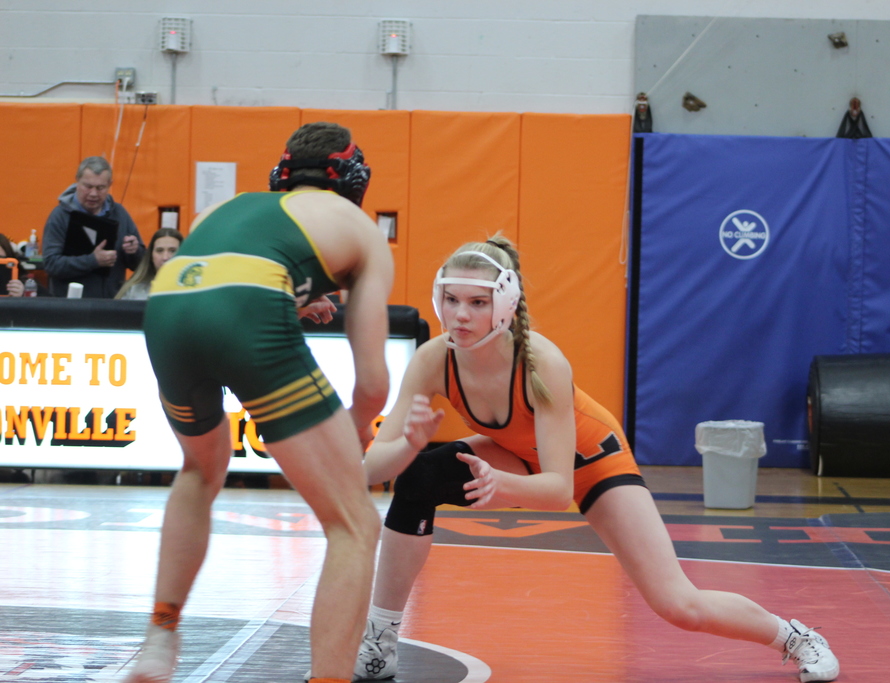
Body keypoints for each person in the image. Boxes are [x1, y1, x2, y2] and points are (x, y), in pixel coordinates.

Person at [350, 236, 840, 683]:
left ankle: (796, 637)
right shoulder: (434, 359)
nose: (460, 315)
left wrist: (501, 484)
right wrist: (406, 445)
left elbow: (559, 490)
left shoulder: (542, 363)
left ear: (504, 305)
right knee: (417, 476)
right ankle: (381, 638)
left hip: (594, 463)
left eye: (477, 303)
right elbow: (373, 470)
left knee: (679, 605)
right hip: (519, 457)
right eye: (452, 300)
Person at [123, 121, 392, 683]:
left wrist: (290, 302)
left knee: (200, 468)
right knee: (354, 525)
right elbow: (372, 384)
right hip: (251, 315)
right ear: (354, 183)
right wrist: (357, 432)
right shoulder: (363, 232)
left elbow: (226, 281)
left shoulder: (228, 208)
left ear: (283, 175)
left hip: (168, 304)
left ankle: (160, 637)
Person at [42, 156, 145, 298]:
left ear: (110, 184)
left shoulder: (120, 214)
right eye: (88, 186)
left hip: (111, 303)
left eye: (100, 188)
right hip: (70, 306)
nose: (93, 194)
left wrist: (134, 251)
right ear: (77, 181)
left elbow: (141, 266)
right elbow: (51, 264)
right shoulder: (60, 216)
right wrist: (93, 261)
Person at [115, 228, 184, 300]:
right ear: (151, 256)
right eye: (159, 250)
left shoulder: (193, 290)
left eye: (172, 251)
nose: (165, 257)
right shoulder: (133, 291)